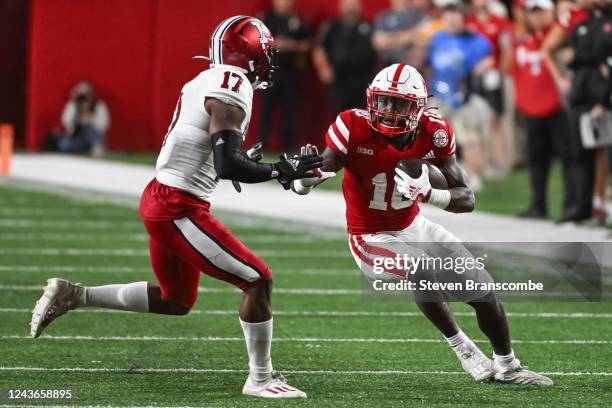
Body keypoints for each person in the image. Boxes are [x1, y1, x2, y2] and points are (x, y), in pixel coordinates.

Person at [29, 16, 322, 399]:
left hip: (162, 194)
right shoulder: (233, 84)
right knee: (257, 279)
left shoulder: (205, 79)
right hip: (177, 206)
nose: (268, 63)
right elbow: (227, 163)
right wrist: (278, 170)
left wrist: (258, 167)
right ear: (249, 56)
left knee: (176, 300)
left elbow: (202, 150)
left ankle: (75, 295)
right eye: (264, 55)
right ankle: (261, 379)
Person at [292, 63, 553, 385]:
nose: (389, 111)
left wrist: (428, 193)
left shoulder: (435, 130)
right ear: (372, 100)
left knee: (484, 290)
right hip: (370, 235)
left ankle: (509, 367)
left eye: (398, 103)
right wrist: (304, 181)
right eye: (384, 101)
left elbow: (466, 199)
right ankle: (464, 349)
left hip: (414, 224)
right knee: (420, 267)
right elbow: (322, 170)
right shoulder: (351, 125)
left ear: (417, 107)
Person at [511, 0, 572, 218]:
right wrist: (521, 102)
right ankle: (538, 205)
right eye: (532, 12)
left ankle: (570, 206)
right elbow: (518, 74)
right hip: (532, 109)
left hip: (558, 108)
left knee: (568, 158)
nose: (535, 16)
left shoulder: (560, 36)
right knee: (536, 159)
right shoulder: (525, 41)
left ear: (551, 12)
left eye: (540, 11)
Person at [427, 0, 494, 191]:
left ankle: (474, 176)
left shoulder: (475, 40)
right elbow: (429, 64)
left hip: (463, 96)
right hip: (439, 95)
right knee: (434, 138)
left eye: (456, 15)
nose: (452, 19)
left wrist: (482, 67)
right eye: (448, 14)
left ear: (463, 18)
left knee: (469, 137)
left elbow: (489, 58)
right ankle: (435, 175)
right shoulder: (437, 38)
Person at [562, 0, 612, 222]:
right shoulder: (582, 24)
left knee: (606, 155)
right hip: (581, 95)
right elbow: (568, 57)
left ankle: (602, 204)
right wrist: (597, 60)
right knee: (580, 154)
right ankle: (584, 207)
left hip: (604, 98)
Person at [466, 0, 513, 174]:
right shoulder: (468, 22)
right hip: (474, 77)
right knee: (476, 119)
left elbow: (507, 49)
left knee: (496, 118)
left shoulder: (499, 22)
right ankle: (482, 163)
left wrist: (500, 71)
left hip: (493, 76)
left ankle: (501, 162)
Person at [258, 0, 311, 151]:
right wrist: (274, 44)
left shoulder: (297, 19)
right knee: (265, 111)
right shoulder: (265, 19)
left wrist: (291, 45)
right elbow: (255, 42)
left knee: (290, 111)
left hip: (290, 72)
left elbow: (308, 44)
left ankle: (291, 146)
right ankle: (262, 146)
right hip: (268, 72)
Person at [313, 0, 376, 113]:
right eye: (347, 5)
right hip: (340, 81)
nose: (350, 9)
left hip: (364, 81)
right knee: (340, 116)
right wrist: (323, 68)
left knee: (362, 117)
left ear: (359, 7)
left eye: (353, 6)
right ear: (341, 7)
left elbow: (378, 47)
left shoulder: (370, 25)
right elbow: (319, 47)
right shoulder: (331, 26)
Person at [52, 81, 109, 156]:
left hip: (94, 139)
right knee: (64, 144)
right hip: (77, 138)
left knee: (88, 127)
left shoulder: (99, 106)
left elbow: (104, 125)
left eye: (86, 93)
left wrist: (91, 120)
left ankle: (96, 148)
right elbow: (65, 122)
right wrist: (77, 118)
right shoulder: (72, 105)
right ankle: (86, 149)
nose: (83, 97)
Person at [372, 0, 427, 66]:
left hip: (413, 66)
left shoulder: (418, 15)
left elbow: (423, 38)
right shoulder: (383, 16)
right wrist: (407, 36)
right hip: (389, 64)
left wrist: (389, 39)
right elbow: (378, 43)